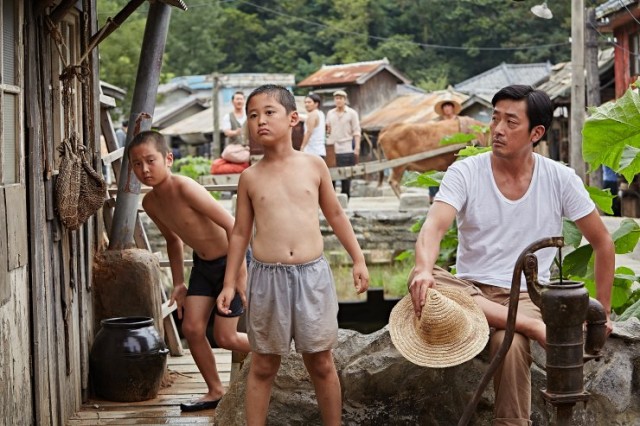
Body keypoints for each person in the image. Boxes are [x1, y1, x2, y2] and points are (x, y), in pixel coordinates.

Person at [408, 84, 614, 425]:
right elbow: (434, 227)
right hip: (469, 291)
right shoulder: (466, 172)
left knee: (510, 343)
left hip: (528, 294)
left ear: (536, 132)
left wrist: (603, 312)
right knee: (428, 281)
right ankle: (532, 327)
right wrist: (425, 268)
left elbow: (602, 241)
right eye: (494, 118)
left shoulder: (560, 178)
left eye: (510, 122)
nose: (498, 129)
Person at [217, 85, 369, 426]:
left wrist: (358, 259)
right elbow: (240, 232)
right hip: (266, 278)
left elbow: (336, 215)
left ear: (293, 118)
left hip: (311, 275)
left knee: (321, 362)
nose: (260, 121)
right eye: (253, 115)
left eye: (270, 112)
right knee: (263, 364)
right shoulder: (250, 177)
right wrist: (230, 282)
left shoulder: (313, 166)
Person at [127, 130, 250, 412]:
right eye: (137, 164)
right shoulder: (150, 203)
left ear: (168, 159)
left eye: (150, 160)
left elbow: (234, 227)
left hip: (232, 261)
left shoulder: (185, 187)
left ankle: (283, 350)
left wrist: (238, 275)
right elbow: (173, 240)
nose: (144, 169)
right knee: (193, 328)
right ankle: (215, 390)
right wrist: (179, 283)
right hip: (204, 267)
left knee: (226, 337)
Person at [326, 90, 361, 199]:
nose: (338, 100)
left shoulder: (352, 113)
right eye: (336, 98)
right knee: (331, 177)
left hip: (346, 148)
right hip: (332, 148)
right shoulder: (330, 113)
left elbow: (356, 131)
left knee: (346, 177)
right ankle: (332, 201)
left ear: (345, 100)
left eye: (340, 98)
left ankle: (346, 200)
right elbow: (328, 129)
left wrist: (357, 147)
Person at [300, 93, 326, 158]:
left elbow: (309, 132)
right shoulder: (321, 113)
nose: (306, 104)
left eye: (309, 102)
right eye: (305, 102)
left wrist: (302, 147)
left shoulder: (312, 115)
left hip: (312, 152)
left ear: (316, 104)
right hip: (320, 151)